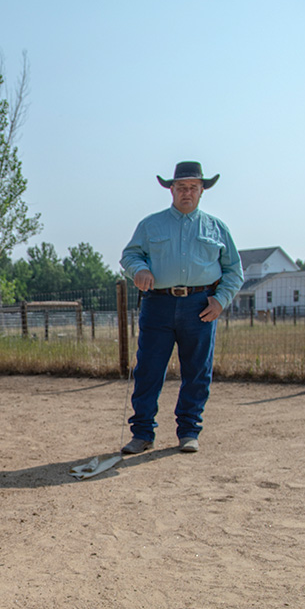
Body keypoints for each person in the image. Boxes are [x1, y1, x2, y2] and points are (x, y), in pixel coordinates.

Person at [119, 161, 243, 454]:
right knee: (148, 370)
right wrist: (138, 270)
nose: (187, 192)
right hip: (157, 304)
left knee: (197, 372)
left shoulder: (217, 228)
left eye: (193, 187)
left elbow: (234, 271)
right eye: (181, 187)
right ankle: (142, 433)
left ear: (202, 191)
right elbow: (129, 255)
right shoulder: (151, 225)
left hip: (201, 306)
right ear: (171, 190)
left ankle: (189, 431)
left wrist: (220, 300)